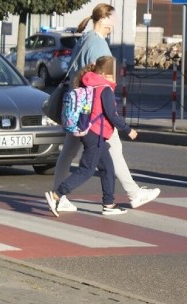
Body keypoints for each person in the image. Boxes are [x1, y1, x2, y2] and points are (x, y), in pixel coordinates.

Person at [51, 3, 160, 212]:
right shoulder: (98, 44)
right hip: (95, 112)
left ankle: (58, 196)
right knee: (113, 150)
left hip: (79, 108)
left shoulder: (85, 38)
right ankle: (133, 193)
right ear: (104, 19)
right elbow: (99, 79)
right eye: (113, 16)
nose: (115, 20)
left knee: (69, 152)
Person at [46, 56, 136, 216]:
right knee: (86, 170)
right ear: (108, 73)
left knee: (107, 167)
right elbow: (112, 115)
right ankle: (56, 194)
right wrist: (128, 129)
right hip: (96, 134)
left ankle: (109, 204)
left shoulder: (89, 83)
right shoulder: (104, 89)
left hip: (91, 132)